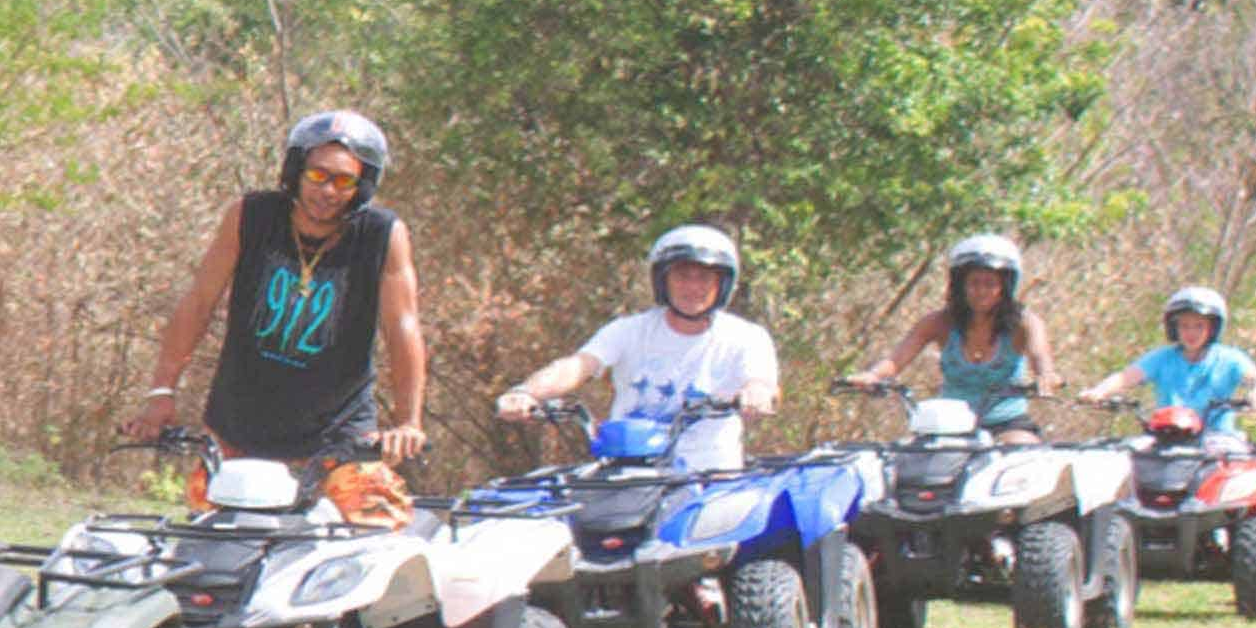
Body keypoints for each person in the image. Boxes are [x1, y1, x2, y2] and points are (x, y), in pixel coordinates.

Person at [139, 109, 429, 518]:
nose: (327, 190)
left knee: (376, 521)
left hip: (339, 433)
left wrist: (408, 422)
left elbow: (403, 326)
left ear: (361, 187)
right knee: (213, 537)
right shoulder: (252, 216)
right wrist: (161, 393)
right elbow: (199, 301)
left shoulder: (381, 234)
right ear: (296, 171)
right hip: (240, 424)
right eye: (317, 175)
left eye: (343, 181)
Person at [497, 223, 780, 472]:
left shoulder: (746, 337)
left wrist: (757, 392)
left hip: (709, 479)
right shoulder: (629, 330)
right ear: (663, 280)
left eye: (704, 277)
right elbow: (579, 365)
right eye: (682, 275)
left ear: (722, 284)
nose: (692, 287)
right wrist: (526, 392)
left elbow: (763, 381)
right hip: (630, 474)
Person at [863, 232, 1044, 437]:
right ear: (961, 286)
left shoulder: (1024, 323)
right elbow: (895, 361)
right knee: (912, 461)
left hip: (1007, 424)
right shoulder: (939, 322)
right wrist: (873, 376)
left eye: (990, 284)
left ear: (1005, 288)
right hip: (950, 425)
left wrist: (1045, 377)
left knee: (1019, 454)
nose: (981, 291)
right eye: (974, 283)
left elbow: (1040, 356)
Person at [1079, 283, 1256, 433]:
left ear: (1212, 328)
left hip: (1217, 441)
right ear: (1174, 329)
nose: (1191, 333)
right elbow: (1126, 377)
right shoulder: (1163, 358)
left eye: (1199, 326)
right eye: (1184, 326)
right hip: (1168, 437)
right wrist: (1099, 391)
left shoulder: (1229, 359)